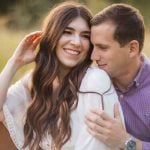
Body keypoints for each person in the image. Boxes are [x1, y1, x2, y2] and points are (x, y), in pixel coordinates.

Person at [0, 2, 124, 150]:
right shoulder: (37, 80)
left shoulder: (94, 80)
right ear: (52, 35)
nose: (77, 42)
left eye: (85, 36)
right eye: (68, 32)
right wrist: (15, 62)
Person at [85, 3, 150, 150]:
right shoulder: (91, 81)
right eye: (93, 46)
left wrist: (126, 142)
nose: (93, 56)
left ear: (132, 48)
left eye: (103, 47)